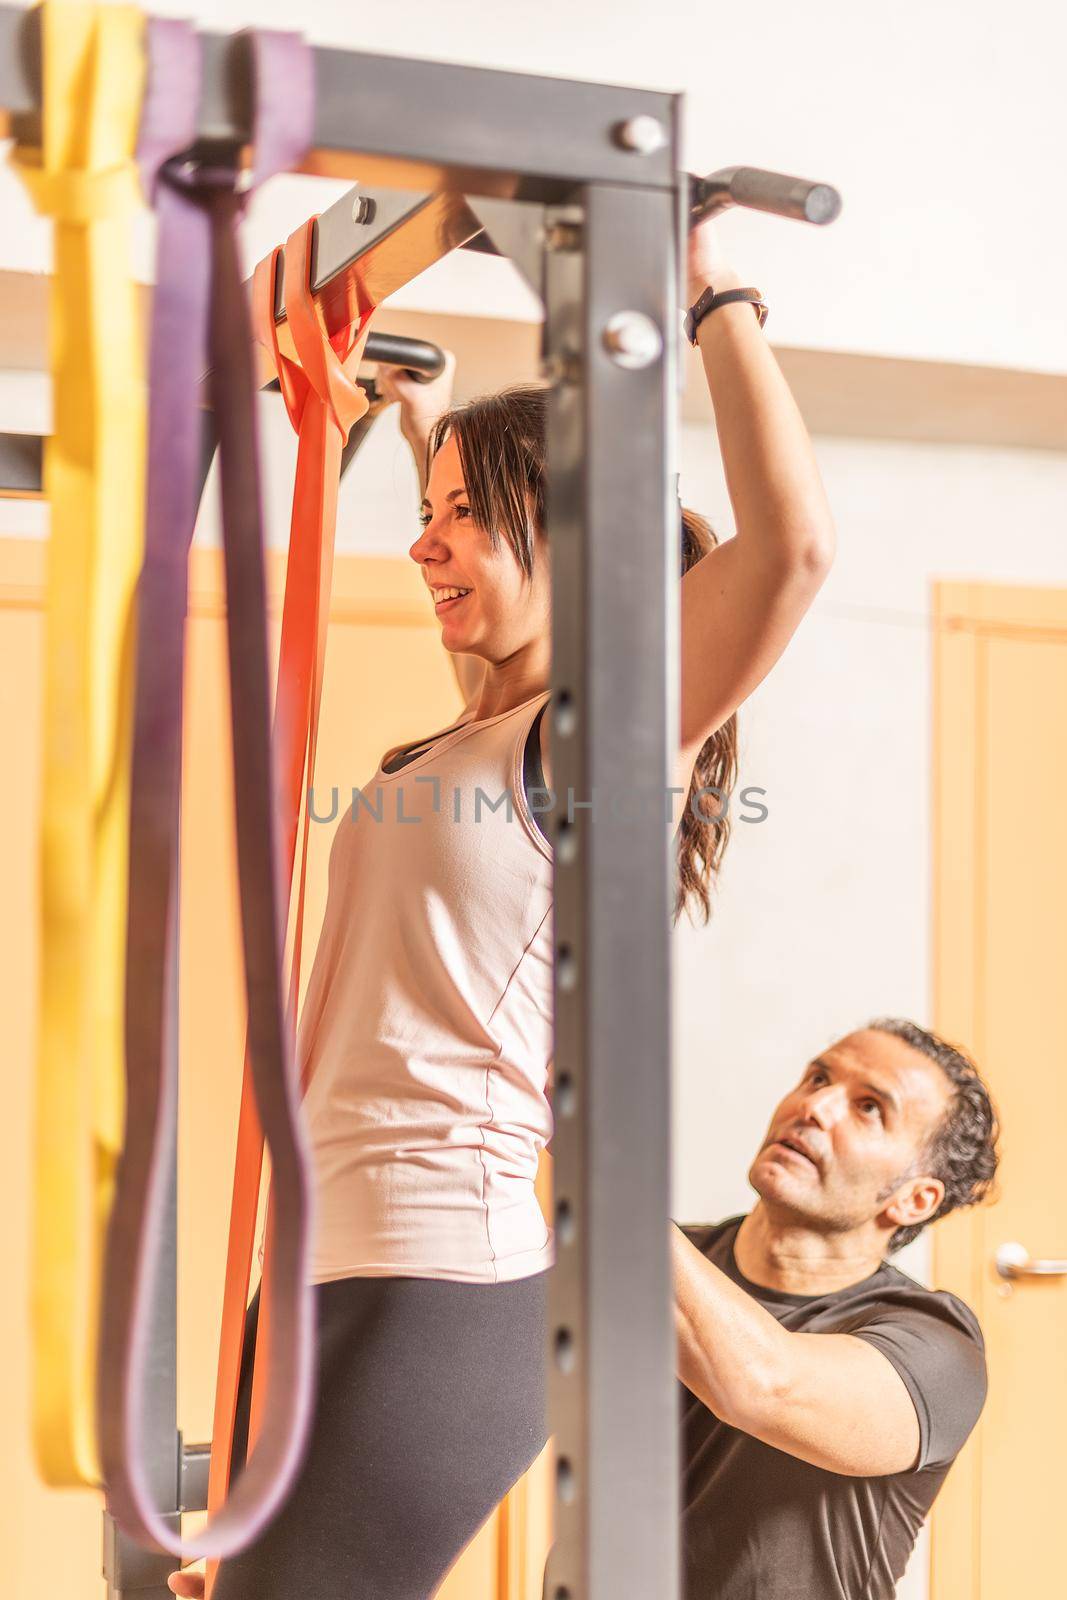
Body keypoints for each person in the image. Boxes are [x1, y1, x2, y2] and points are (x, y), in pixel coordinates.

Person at [169, 214, 836, 1598]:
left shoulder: (597, 741)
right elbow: (498, 578)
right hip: (319, 1260)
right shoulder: (458, 741)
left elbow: (790, 550)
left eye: (463, 517)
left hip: (441, 1283)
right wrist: (424, 427)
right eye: (427, 516)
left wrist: (715, 293)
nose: (426, 548)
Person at [673, 1018, 999, 1600]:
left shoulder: (936, 1348)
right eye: (817, 1077)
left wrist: (607, 1181)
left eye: (869, 1107)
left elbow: (765, 1385)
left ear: (914, 1199)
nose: (815, 1106)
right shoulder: (675, 1256)